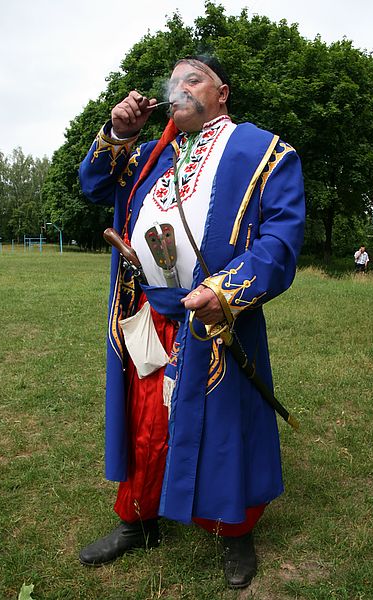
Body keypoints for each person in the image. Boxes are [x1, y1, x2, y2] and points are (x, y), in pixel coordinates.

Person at [78, 54, 306, 589]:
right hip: (148, 311)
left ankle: (233, 530)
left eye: (193, 79)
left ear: (222, 92)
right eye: (173, 82)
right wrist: (118, 131)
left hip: (214, 315)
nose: (178, 89)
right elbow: (93, 185)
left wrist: (224, 290)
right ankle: (138, 521)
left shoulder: (264, 151)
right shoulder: (153, 153)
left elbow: (280, 239)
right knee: (147, 422)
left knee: (225, 424)